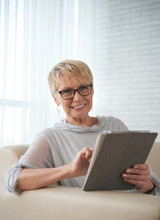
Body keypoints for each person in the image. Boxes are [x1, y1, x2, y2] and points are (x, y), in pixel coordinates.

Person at [5, 59, 160, 195]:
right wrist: (69, 170)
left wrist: (146, 183)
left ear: (92, 90)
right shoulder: (50, 136)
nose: (78, 98)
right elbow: (13, 179)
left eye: (84, 88)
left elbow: (154, 186)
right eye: (67, 91)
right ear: (56, 99)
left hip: (138, 207)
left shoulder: (115, 124)